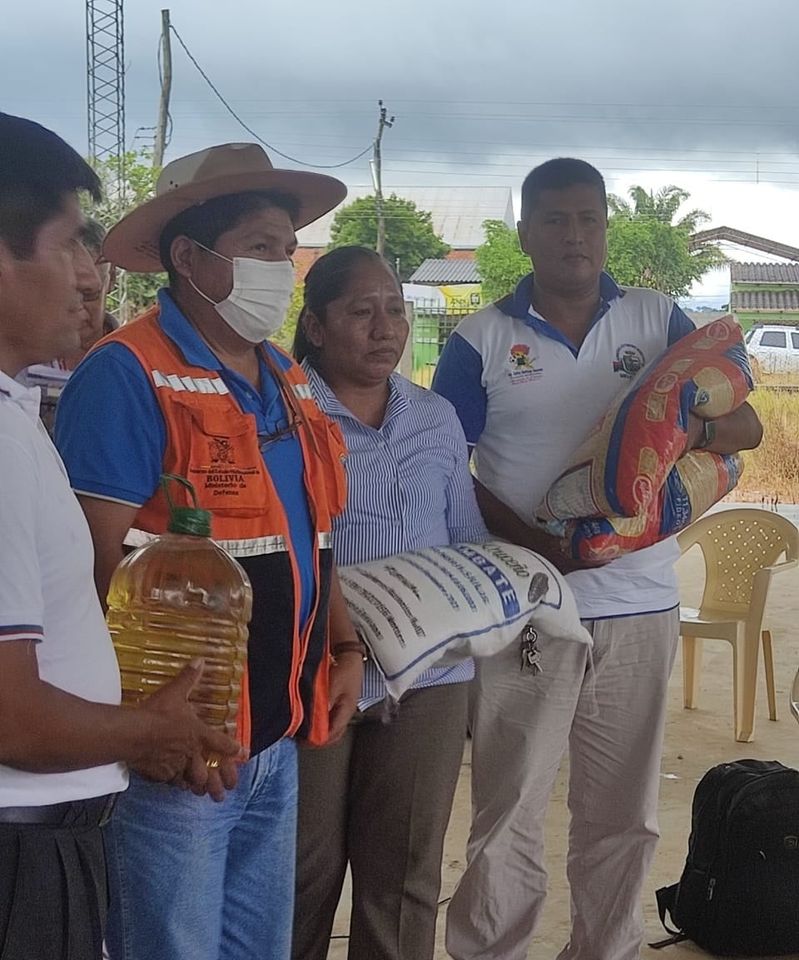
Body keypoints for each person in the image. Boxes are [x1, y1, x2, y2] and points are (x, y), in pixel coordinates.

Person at [432, 158, 763, 960]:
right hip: (526, 607)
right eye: (554, 220)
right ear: (525, 234)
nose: (574, 235)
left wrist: (686, 437)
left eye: (588, 219)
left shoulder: (656, 318)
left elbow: (745, 427)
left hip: (638, 602)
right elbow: (446, 466)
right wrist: (535, 547)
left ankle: (605, 950)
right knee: (508, 808)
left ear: (605, 227)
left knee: (622, 813)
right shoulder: (481, 339)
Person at [55, 142, 364, 960]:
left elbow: (312, 535)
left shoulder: (288, 380)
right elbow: (88, 574)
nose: (283, 266)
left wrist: (342, 643)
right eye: (262, 247)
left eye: (287, 247)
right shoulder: (124, 375)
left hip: (273, 741)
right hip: (178, 761)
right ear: (190, 258)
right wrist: (144, 730)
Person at [0, 114, 243, 960]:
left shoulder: (15, 416)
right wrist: (150, 731)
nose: (89, 274)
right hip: (19, 852)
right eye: (70, 244)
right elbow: (11, 715)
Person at [290, 246, 488, 960]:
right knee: (301, 873)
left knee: (403, 877)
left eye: (395, 310)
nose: (385, 328)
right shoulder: (287, 415)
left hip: (430, 682)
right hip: (316, 675)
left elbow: (465, 538)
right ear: (314, 325)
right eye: (361, 311)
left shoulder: (434, 419)